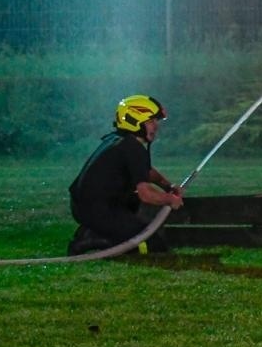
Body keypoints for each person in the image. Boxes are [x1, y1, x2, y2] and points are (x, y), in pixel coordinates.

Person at [68, 94, 184, 256]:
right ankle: (93, 241)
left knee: (133, 203)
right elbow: (146, 194)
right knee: (154, 245)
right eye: (151, 121)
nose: (156, 126)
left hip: (83, 205)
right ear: (133, 121)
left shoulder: (119, 141)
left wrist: (168, 186)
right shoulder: (132, 148)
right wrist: (170, 200)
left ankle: (95, 230)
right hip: (98, 210)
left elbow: (146, 171)